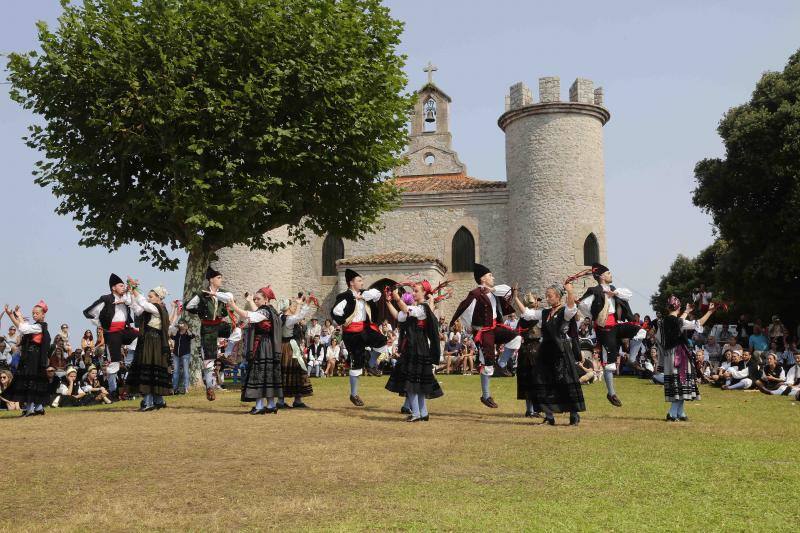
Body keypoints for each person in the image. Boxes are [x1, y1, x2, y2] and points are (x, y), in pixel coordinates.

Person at [513, 282, 584, 425]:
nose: (547, 298)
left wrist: (570, 292)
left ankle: (574, 414)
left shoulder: (564, 311)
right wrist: (515, 297)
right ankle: (549, 417)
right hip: (545, 350)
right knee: (541, 381)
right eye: (546, 296)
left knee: (565, 382)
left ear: (558, 297)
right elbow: (527, 314)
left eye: (550, 296)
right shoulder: (545, 313)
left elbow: (571, 308)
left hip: (561, 351)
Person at [577, 262, 646, 408]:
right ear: (601, 276)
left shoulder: (614, 289)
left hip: (616, 325)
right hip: (605, 330)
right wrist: (595, 316)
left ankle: (632, 359)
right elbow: (582, 305)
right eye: (608, 273)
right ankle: (611, 393)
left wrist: (614, 294)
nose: (611, 275)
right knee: (610, 365)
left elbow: (629, 294)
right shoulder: (594, 290)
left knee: (641, 331)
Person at [450, 263, 516, 409]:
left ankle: (502, 363)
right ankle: (486, 396)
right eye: (490, 275)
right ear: (482, 279)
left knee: (516, 336)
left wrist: (491, 288)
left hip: (495, 328)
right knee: (487, 363)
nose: (493, 277)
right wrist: (475, 330)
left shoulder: (494, 292)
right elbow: (466, 312)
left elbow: (508, 291)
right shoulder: (475, 294)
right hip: (484, 332)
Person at [385, 282, 443, 422]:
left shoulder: (423, 308)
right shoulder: (416, 308)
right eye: (413, 291)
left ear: (424, 293)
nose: (413, 293)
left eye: (416, 291)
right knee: (417, 383)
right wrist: (388, 302)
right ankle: (423, 413)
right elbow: (399, 316)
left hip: (417, 348)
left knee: (410, 382)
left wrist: (397, 298)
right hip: (413, 348)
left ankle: (416, 414)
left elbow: (406, 310)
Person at [653, 297, 716, 422]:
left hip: (669, 355)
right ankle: (672, 413)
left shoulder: (661, 321)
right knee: (681, 382)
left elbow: (659, 340)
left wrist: (686, 311)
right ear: (678, 307)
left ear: (668, 307)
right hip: (679, 354)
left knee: (679, 383)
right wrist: (709, 312)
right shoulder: (677, 321)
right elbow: (698, 323)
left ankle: (680, 412)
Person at [331, 268, 386, 407]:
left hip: (365, 328)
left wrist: (364, 296)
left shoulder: (364, 293)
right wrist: (342, 322)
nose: (362, 282)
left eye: (362, 280)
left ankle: (372, 364)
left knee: (382, 341)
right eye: (359, 280)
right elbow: (336, 312)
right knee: (357, 362)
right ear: (351, 283)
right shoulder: (345, 296)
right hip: (352, 333)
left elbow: (378, 293)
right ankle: (354, 394)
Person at [83, 274, 137, 399]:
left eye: (124, 285)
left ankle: (129, 363)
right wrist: (101, 324)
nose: (123, 287)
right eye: (121, 285)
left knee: (141, 335)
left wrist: (133, 288)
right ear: (113, 288)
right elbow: (89, 312)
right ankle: (113, 392)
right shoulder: (106, 298)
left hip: (124, 329)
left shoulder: (126, 297)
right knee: (114, 363)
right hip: (112, 333)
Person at [229, 286, 282, 414]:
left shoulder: (265, 311)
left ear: (266, 299)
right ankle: (270, 405)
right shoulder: (270, 310)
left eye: (258, 299)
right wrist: (250, 300)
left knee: (259, 373)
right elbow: (256, 313)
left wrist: (233, 306)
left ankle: (259, 406)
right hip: (268, 345)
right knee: (267, 375)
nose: (256, 300)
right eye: (255, 299)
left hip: (262, 346)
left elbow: (251, 315)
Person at [185, 266, 235, 401]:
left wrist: (216, 297)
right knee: (208, 359)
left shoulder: (224, 293)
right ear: (211, 280)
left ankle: (227, 356)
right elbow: (188, 306)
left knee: (235, 334)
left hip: (220, 328)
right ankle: (210, 387)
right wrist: (200, 311)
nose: (221, 280)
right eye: (218, 278)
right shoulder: (201, 294)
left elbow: (230, 298)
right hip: (207, 329)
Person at [126, 285, 172, 411]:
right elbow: (137, 309)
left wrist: (134, 290)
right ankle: (158, 401)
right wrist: (131, 293)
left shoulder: (157, 308)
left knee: (148, 368)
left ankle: (148, 402)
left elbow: (143, 304)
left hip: (152, 342)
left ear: (158, 298)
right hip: (149, 342)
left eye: (151, 296)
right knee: (152, 370)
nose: (148, 298)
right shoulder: (153, 309)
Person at [2, 301, 51, 416]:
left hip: (34, 358)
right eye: (33, 313)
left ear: (43, 314)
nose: (34, 315)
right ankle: (37, 408)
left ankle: (31, 409)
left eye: (37, 313)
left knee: (30, 381)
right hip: (30, 357)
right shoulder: (35, 326)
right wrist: (12, 315)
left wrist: (17, 315)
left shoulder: (39, 327)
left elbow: (23, 328)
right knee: (31, 381)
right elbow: (23, 327)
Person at [169, 318, 194, 395]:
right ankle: (174, 388)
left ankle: (186, 388)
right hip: (176, 354)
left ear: (186, 324)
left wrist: (187, 329)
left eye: (182, 323)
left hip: (185, 354)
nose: (181, 325)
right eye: (180, 323)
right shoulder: (177, 333)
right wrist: (175, 327)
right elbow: (170, 335)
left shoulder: (188, 333)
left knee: (186, 371)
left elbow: (192, 336)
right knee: (176, 371)